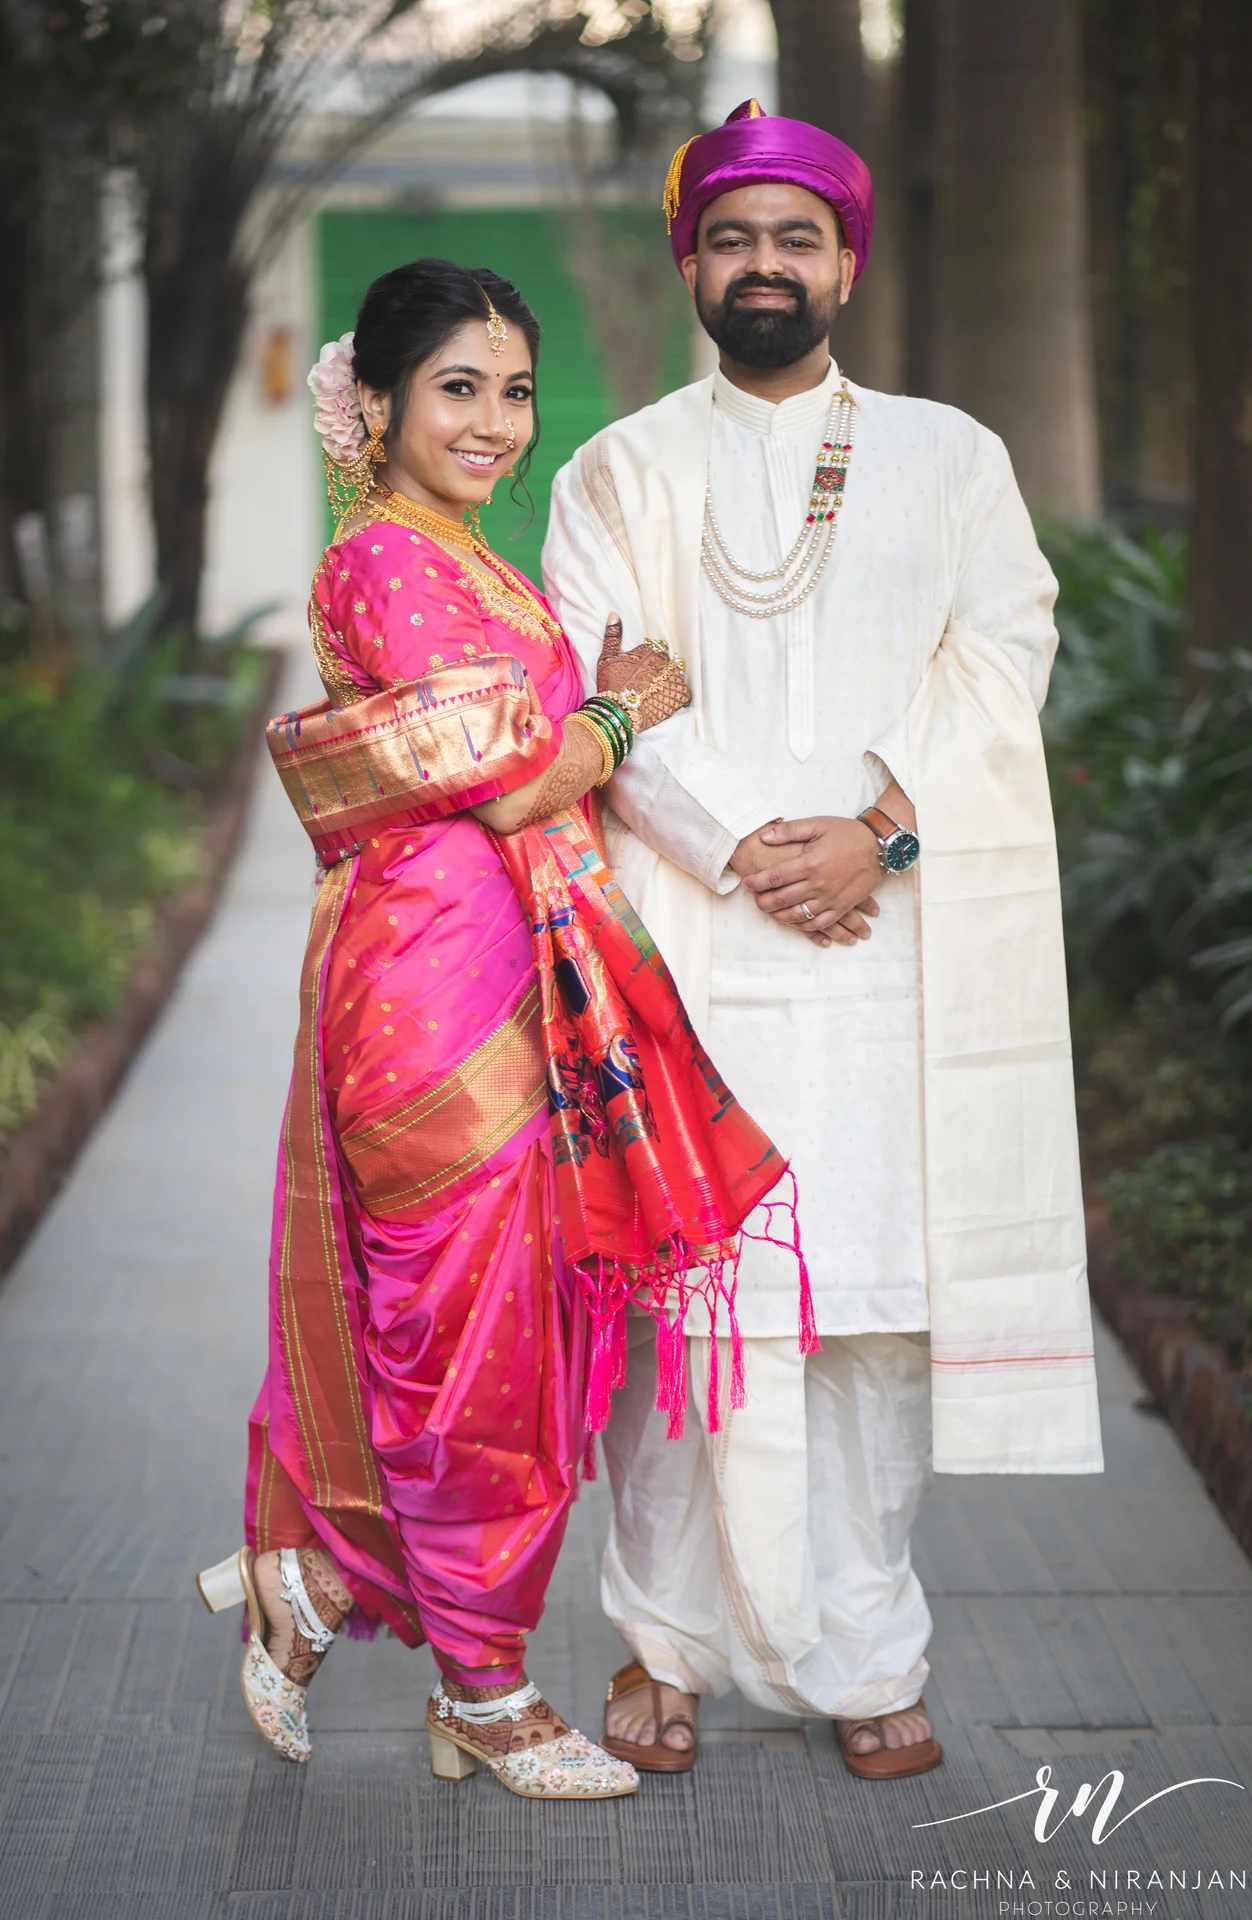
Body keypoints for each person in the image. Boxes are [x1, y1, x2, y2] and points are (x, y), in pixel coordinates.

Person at [543, 101, 1105, 1781]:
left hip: (891, 956)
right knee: (683, 1330)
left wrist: (877, 830)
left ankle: (867, 1653)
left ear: (845, 262)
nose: (765, 264)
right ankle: (665, 1648)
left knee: (865, 1317)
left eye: (795, 238)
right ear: (692, 265)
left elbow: (1004, 653)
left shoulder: (953, 455)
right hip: (689, 953)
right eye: (733, 238)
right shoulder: (619, 467)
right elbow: (597, 684)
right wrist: (741, 850)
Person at [196, 259, 804, 1800]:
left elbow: (510, 761)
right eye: (458, 388)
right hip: (431, 992)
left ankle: (327, 1583)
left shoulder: (469, 558)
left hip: (509, 970)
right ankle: (476, 1686)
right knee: (470, 1346)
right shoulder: (391, 567)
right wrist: (616, 715)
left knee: (519, 1342)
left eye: (514, 390)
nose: (493, 419)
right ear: (380, 404)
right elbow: (506, 777)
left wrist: (583, 719)